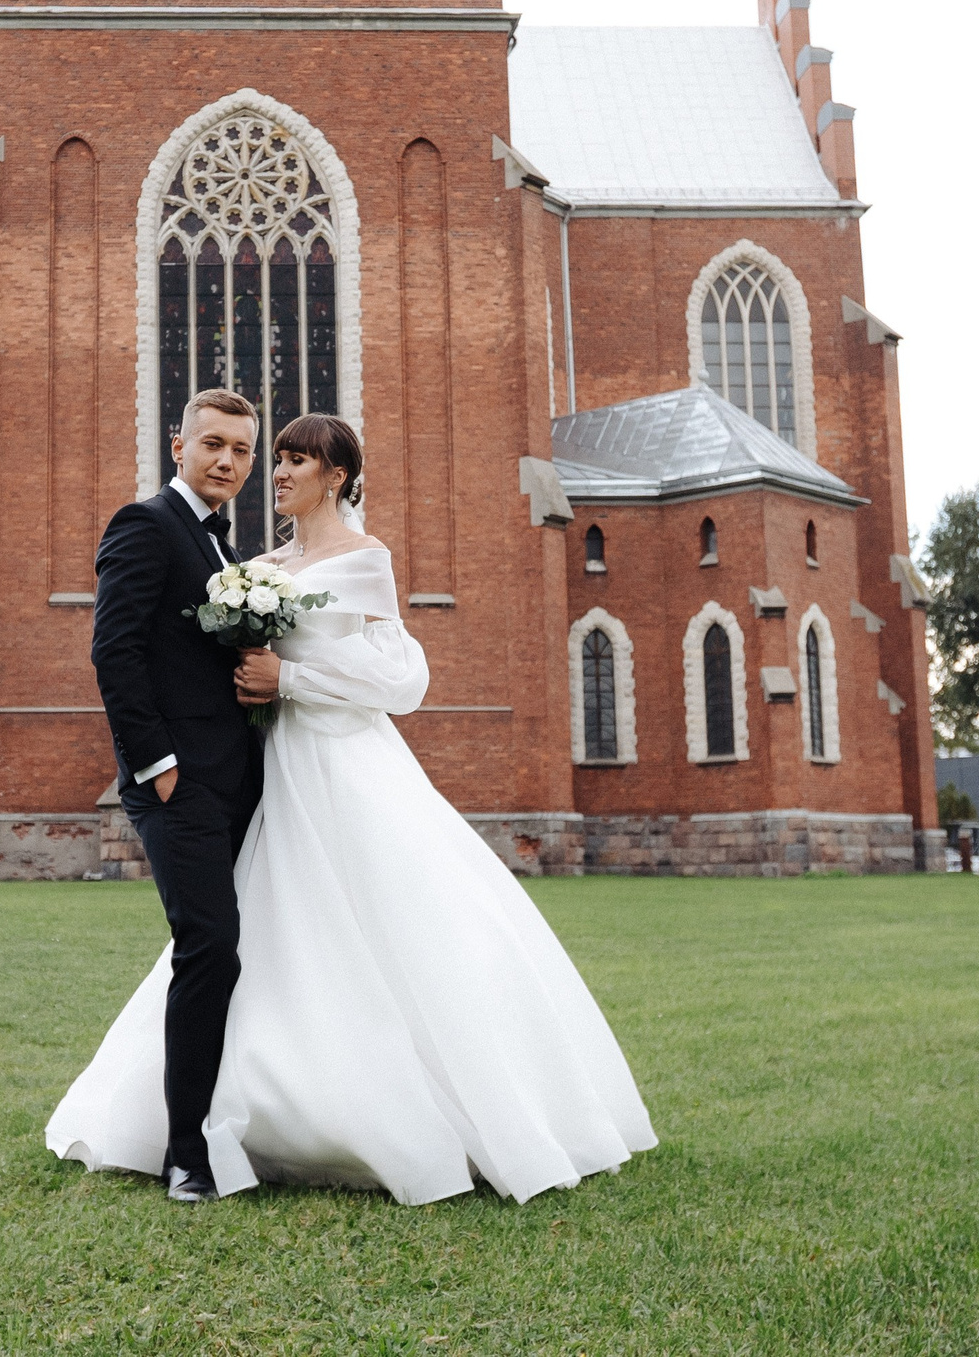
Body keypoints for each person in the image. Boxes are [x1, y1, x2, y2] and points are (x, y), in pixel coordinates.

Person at [51, 412, 657, 1205]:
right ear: (183, 448)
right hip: (271, 771)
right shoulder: (252, 563)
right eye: (274, 458)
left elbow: (401, 680)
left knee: (391, 929)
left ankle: (420, 1106)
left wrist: (291, 681)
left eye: (293, 459)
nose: (277, 471)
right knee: (261, 934)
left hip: (344, 763)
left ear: (336, 475)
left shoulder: (367, 559)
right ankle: (227, 1117)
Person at [84, 387, 268, 1203]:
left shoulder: (229, 553)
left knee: (218, 952)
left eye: (241, 449)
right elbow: (113, 651)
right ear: (178, 445)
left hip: (238, 779)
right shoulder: (145, 525)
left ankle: (228, 1113)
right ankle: (184, 1151)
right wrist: (155, 763)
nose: (226, 459)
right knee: (209, 945)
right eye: (213, 444)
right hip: (177, 784)